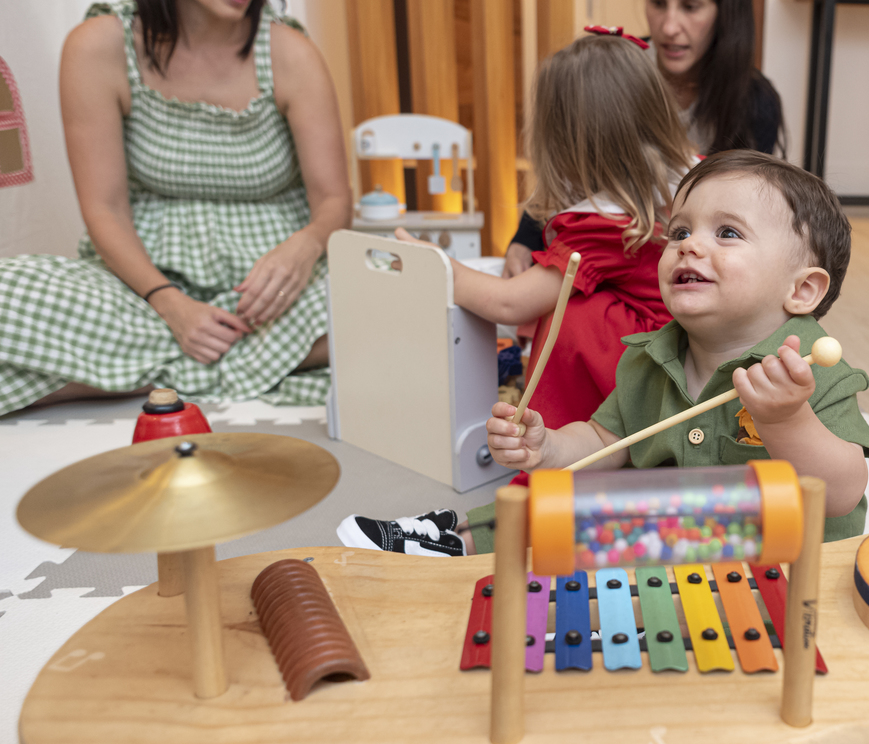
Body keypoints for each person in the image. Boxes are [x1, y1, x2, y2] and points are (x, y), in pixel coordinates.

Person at [336, 31, 695, 556]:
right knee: (573, 302)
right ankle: (501, 508)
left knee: (572, 311)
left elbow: (509, 303)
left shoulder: (605, 220)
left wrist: (436, 265)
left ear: (566, 141)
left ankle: (509, 505)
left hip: (648, 368)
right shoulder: (681, 181)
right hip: (676, 354)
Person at [484, 150, 869, 546]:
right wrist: (548, 448)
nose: (689, 246)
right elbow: (606, 442)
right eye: (680, 232)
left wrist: (787, 420)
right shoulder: (647, 358)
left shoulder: (813, 370)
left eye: (727, 233)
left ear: (801, 289)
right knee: (538, 528)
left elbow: (842, 494)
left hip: (786, 566)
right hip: (679, 550)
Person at [0, 0, 350, 415]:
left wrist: (305, 247)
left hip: (275, 297)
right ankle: (265, 360)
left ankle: (116, 373)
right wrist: (170, 305)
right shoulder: (98, 46)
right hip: (144, 289)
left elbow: (334, 200)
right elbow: (104, 209)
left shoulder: (290, 51)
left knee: (399, 304)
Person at [504, 0, 784, 279]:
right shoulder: (618, 67)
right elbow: (568, 162)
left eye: (690, 7)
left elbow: (739, 220)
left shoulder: (755, 103)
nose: (669, 26)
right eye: (659, 4)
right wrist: (524, 238)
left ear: (726, 15)